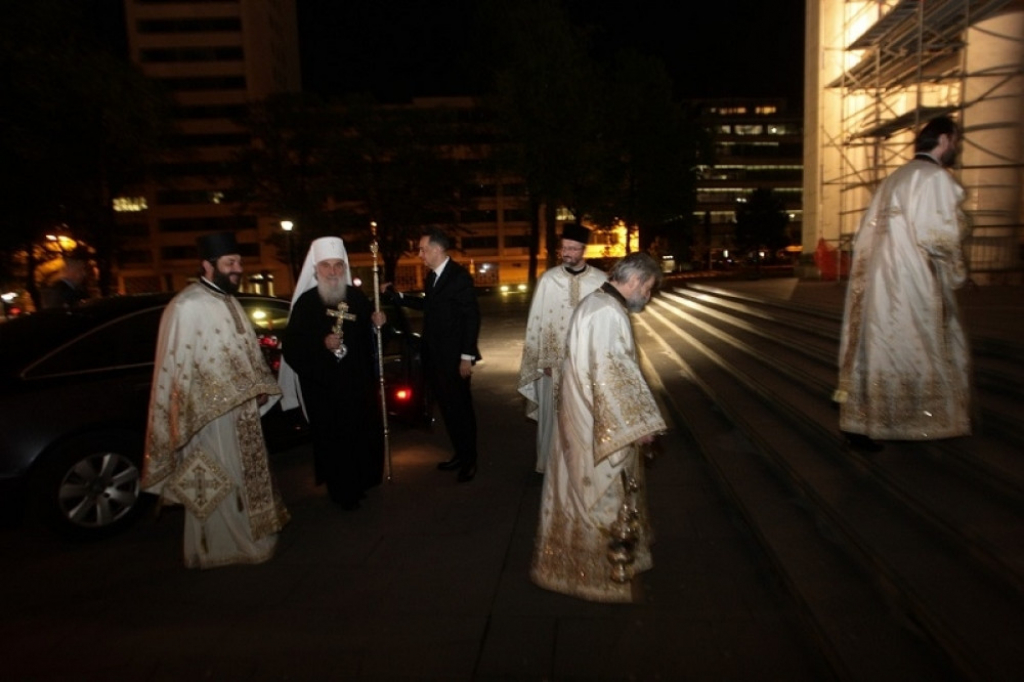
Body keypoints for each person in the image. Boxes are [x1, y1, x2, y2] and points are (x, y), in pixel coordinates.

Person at [142, 231, 290, 569]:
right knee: (217, 479)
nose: (238, 268)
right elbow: (177, 368)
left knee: (243, 477)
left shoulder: (228, 299)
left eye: (239, 261)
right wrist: (199, 407)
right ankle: (216, 548)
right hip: (207, 418)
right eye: (230, 263)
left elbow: (244, 353)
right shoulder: (188, 305)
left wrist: (259, 386)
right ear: (208, 265)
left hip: (241, 413)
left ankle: (252, 538)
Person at [530, 252, 667, 603]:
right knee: (601, 498)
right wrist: (639, 424)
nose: (646, 297)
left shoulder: (595, 301)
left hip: (579, 418)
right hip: (596, 425)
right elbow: (611, 377)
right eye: (648, 288)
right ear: (634, 280)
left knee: (575, 492)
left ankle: (568, 567)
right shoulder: (607, 312)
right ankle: (602, 573)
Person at [836, 116, 972, 451]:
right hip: (913, 281)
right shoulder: (935, 178)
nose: (957, 146)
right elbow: (939, 237)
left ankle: (865, 422)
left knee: (881, 351)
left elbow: (865, 236)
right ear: (943, 139)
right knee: (918, 349)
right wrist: (957, 272)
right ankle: (921, 422)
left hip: (877, 283)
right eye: (955, 139)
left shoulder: (894, 178)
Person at [278, 237, 385, 510]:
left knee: (360, 435)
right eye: (327, 266)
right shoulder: (305, 303)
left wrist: (376, 323)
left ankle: (361, 482)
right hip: (325, 390)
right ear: (316, 270)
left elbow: (366, 338)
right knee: (335, 441)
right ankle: (341, 493)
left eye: (338, 265)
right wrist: (320, 344)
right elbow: (292, 346)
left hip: (356, 386)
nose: (333, 272)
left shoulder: (357, 299)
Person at [383, 228, 481, 482]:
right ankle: (459, 454)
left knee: (460, 410)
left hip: (455, 360)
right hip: (436, 357)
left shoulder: (459, 277)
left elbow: (472, 318)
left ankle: (470, 461)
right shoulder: (433, 277)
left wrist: (466, 356)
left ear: (437, 249)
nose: (420, 254)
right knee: (448, 410)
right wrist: (399, 297)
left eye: (423, 249)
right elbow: (429, 305)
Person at [517, 223, 606, 473]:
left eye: (572, 248)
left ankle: (584, 466)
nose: (566, 253)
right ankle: (550, 466)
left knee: (584, 416)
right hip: (552, 366)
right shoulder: (548, 280)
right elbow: (537, 322)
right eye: (564, 247)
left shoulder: (600, 281)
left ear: (583, 250)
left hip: (588, 365)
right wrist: (541, 359)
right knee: (553, 418)